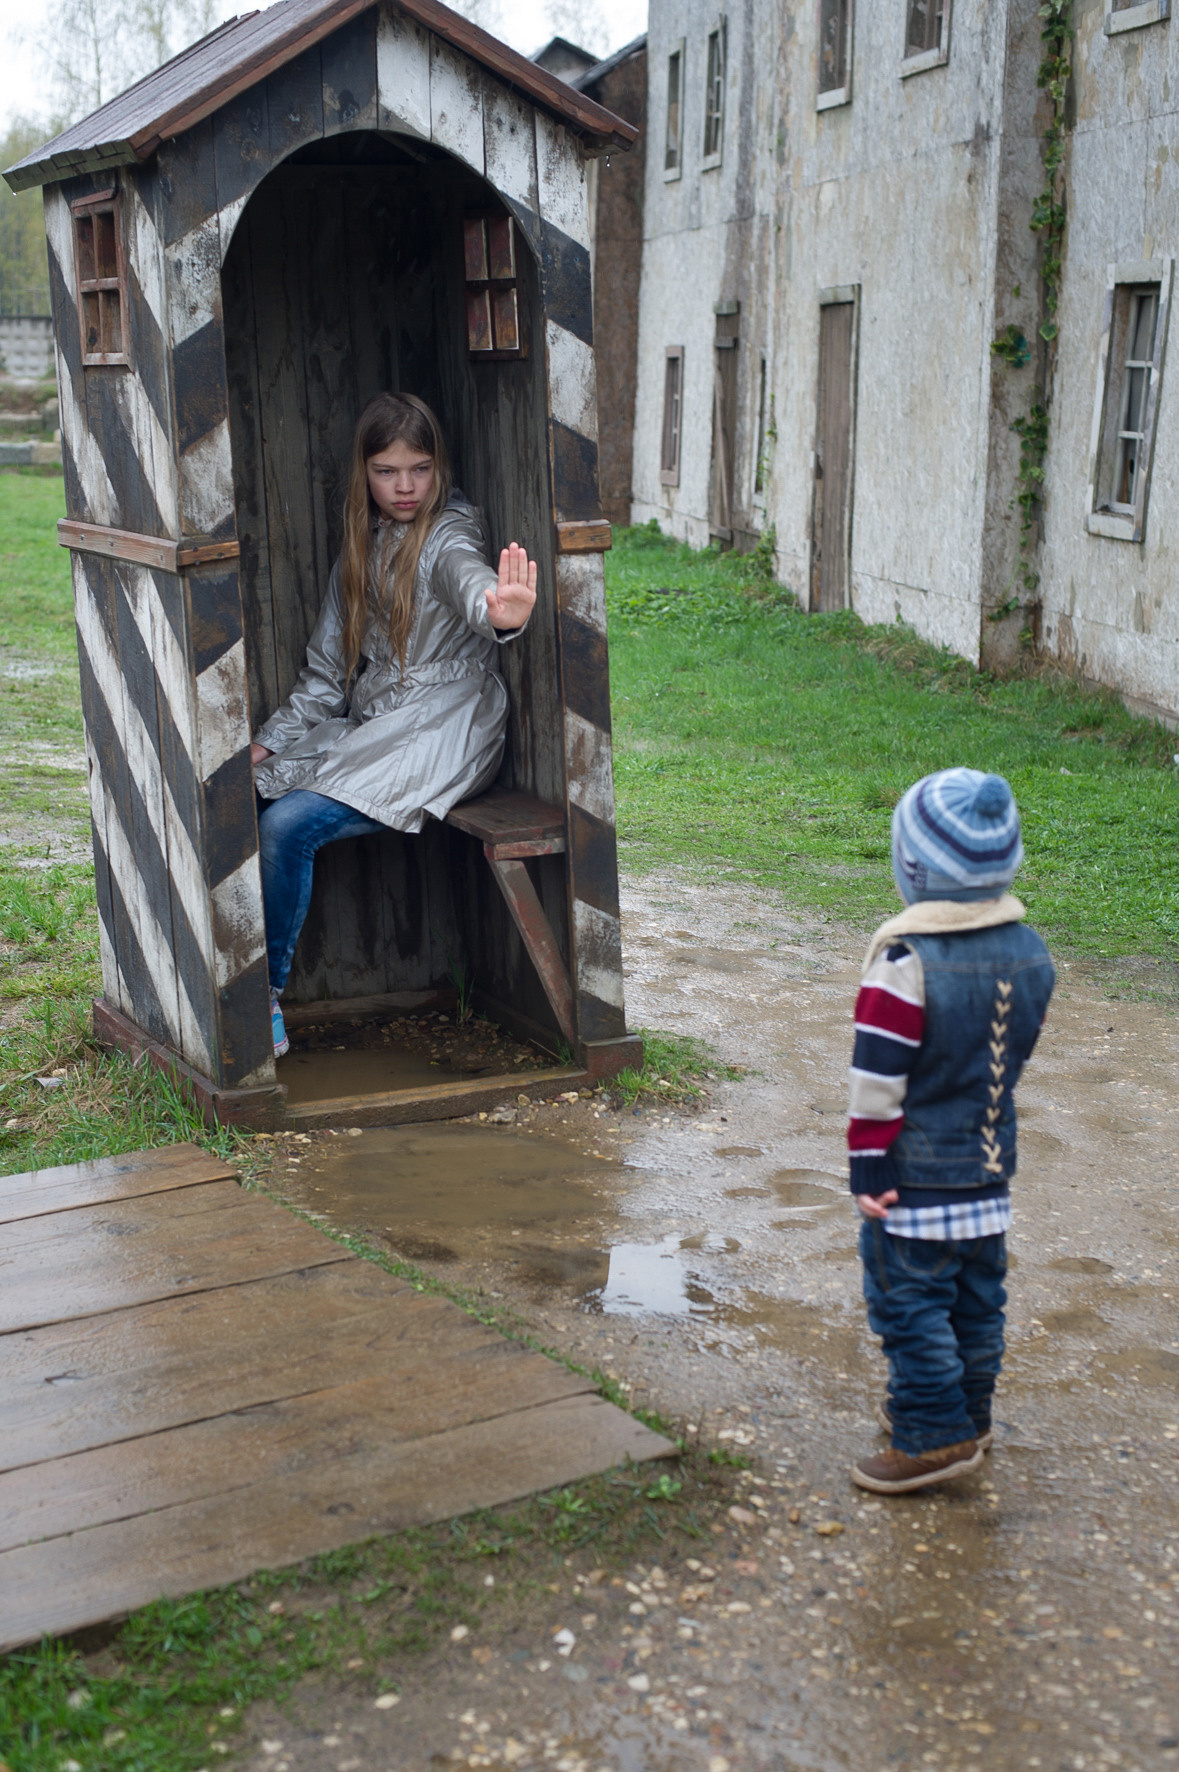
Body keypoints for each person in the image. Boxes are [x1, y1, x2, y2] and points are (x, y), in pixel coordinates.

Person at [250, 392, 537, 1058]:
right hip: (378, 727)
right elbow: (324, 677)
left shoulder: (448, 534)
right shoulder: (360, 548)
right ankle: (222, 981)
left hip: (446, 728)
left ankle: (261, 1000)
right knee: (244, 795)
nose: (405, 487)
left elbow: (470, 582)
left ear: (440, 470)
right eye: (387, 470)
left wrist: (502, 611)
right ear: (364, 472)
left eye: (420, 468)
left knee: (287, 826)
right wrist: (263, 747)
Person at [846, 768, 1055, 1494]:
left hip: (915, 1181)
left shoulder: (904, 965)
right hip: (988, 1173)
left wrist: (869, 1164)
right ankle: (970, 1418)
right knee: (975, 1303)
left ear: (912, 870)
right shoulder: (1032, 952)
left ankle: (933, 1438)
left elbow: (878, 1078)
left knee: (909, 1308)